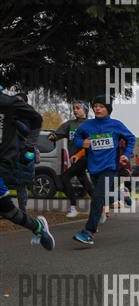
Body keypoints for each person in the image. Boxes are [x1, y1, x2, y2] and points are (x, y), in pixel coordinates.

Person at [71, 95, 136, 245]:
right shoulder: (87, 126)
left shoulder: (115, 125)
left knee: (97, 197)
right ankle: (121, 194)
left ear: (108, 109)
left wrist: (126, 155)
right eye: (95, 106)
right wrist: (83, 142)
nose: (97, 109)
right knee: (104, 198)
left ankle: (89, 232)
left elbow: (131, 138)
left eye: (101, 106)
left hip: (110, 167)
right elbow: (76, 138)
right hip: (94, 168)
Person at [0, 92, 54, 250]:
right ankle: (37, 227)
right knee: (8, 212)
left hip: (4, 163)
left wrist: (29, 147)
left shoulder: (7, 102)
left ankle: (37, 226)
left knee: (9, 210)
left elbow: (36, 118)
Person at [49, 102, 94, 217]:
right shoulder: (70, 124)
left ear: (85, 110)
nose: (75, 110)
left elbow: (92, 141)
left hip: (85, 157)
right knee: (84, 182)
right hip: (74, 159)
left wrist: (80, 153)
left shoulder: (90, 124)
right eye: (74, 108)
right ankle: (102, 205)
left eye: (78, 108)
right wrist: (53, 137)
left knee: (64, 177)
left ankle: (73, 207)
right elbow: (58, 134)